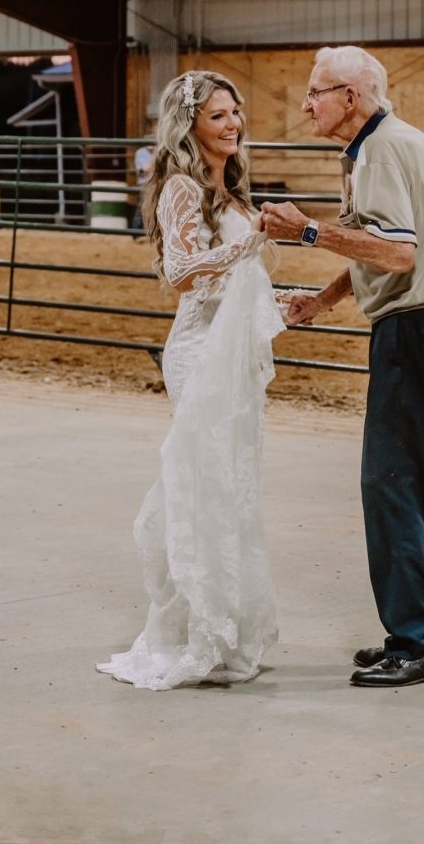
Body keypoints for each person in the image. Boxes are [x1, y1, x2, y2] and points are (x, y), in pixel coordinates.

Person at [262, 46, 424, 688]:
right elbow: (375, 243)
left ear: (350, 96)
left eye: (316, 92)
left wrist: (306, 232)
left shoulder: (381, 149)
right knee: (414, 482)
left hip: (416, 327)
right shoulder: (381, 145)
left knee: (392, 483)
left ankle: (420, 641)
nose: (306, 105)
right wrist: (322, 299)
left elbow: (398, 254)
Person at [97, 71, 285, 690]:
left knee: (229, 484)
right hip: (200, 350)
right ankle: (194, 633)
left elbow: (235, 281)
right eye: (218, 117)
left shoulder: (226, 190)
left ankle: (223, 627)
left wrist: (289, 299)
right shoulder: (180, 187)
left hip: (228, 349)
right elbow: (181, 273)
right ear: (190, 127)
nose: (233, 124)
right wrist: (253, 239)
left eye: (235, 113)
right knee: (203, 481)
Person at [130, 138, 155, 231]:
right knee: (141, 208)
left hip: (155, 183)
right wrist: (155, 163)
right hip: (144, 184)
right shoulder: (140, 152)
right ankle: (136, 232)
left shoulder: (157, 151)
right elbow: (144, 169)